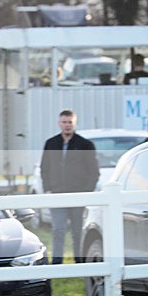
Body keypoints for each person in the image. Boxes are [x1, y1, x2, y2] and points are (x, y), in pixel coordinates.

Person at [40, 109, 99, 265]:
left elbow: (94, 172)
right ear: (59, 123)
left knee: (77, 232)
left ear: (75, 123)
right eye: (64, 122)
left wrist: (86, 192)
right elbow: (44, 168)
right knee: (58, 230)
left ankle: (79, 262)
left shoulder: (85, 144)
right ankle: (57, 264)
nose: (67, 125)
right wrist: (48, 188)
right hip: (57, 194)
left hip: (78, 196)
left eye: (70, 122)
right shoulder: (51, 143)